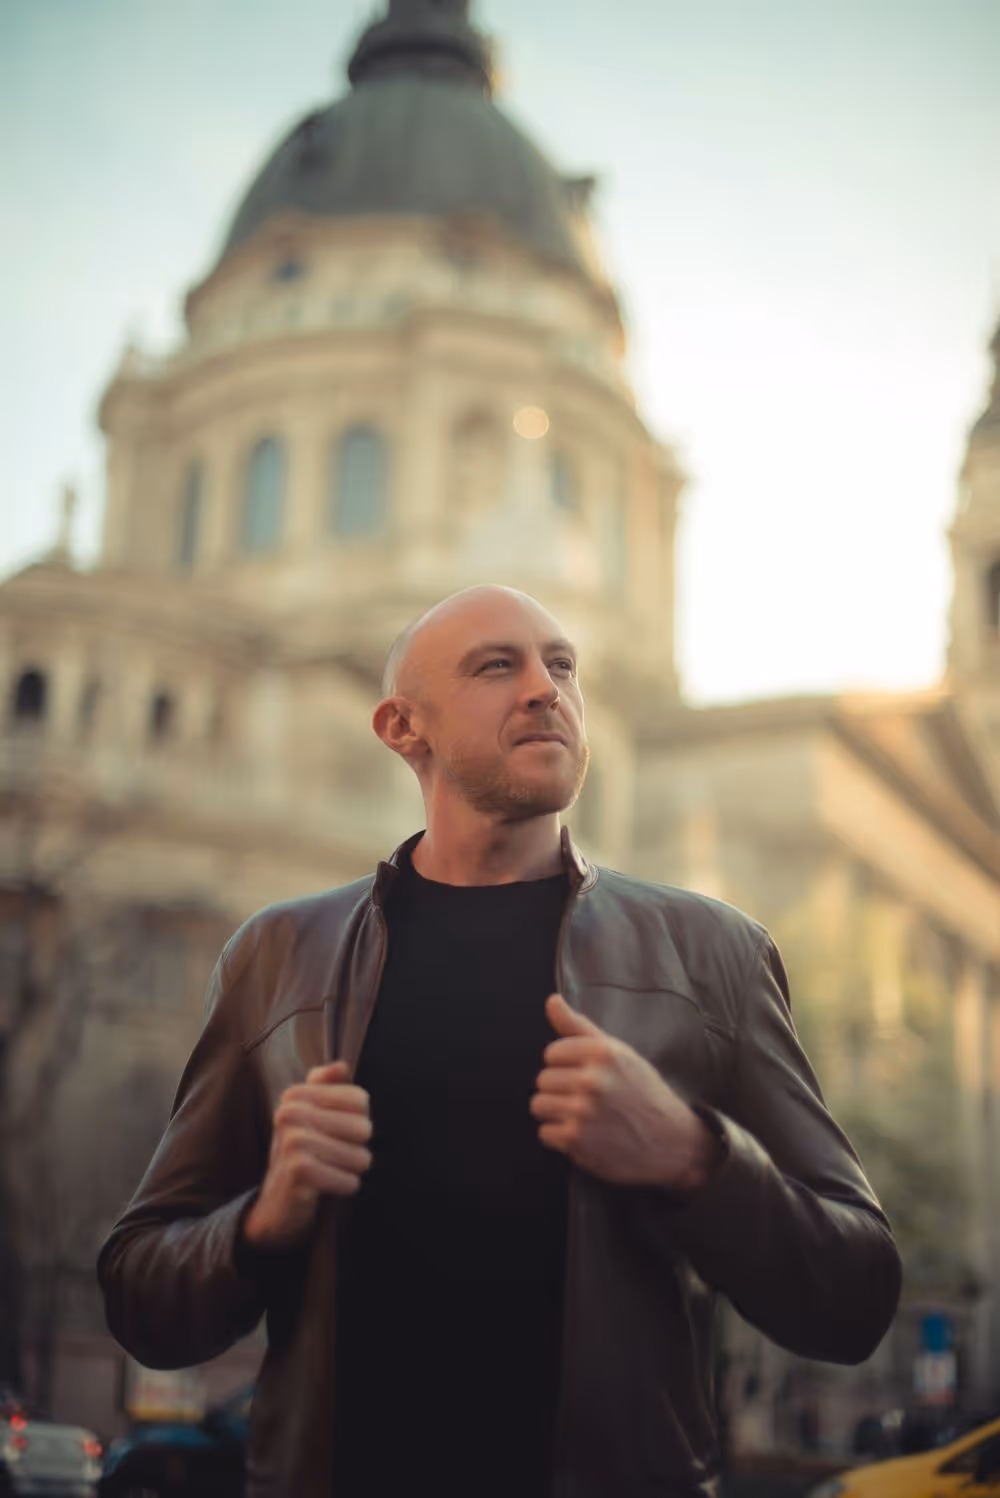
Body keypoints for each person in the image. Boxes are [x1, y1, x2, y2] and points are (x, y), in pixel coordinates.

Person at [97, 584, 902, 1498]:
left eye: (562, 665)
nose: (544, 688)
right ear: (404, 727)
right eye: (497, 666)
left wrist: (694, 1158)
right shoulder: (277, 957)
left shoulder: (712, 955)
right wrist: (261, 1220)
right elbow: (139, 1298)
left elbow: (857, 1298)